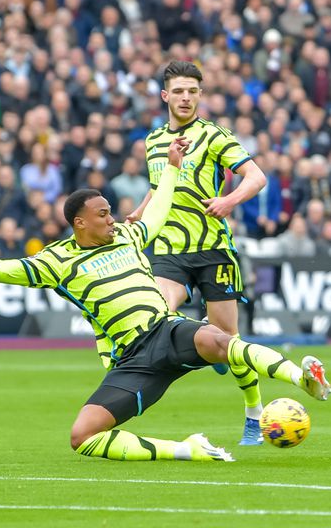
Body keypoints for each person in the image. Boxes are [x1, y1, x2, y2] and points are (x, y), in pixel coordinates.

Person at [0, 136, 331, 463]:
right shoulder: (57, 260)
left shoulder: (130, 236)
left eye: (111, 210)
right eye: (103, 214)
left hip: (165, 330)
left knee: (218, 338)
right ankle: (187, 449)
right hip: (133, 360)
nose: (112, 217)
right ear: (79, 222)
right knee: (81, 437)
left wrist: (171, 168)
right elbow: (1, 271)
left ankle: (302, 379)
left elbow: (159, 210)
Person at [127, 61, 269, 445]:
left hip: (212, 250)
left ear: (200, 95)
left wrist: (229, 200)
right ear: (165, 96)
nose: (186, 97)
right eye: (179, 91)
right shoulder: (153, 141)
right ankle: (197, 347)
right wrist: (140, 212)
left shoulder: (214, 136)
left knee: (232, 342)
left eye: (192, 91)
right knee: (157, 314)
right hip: (169, 249)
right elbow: (159, 185)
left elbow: (257, 177)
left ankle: (254, 413)